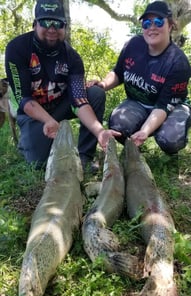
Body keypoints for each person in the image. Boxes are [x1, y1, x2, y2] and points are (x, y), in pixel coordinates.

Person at [5, 0, 121, 171]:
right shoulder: (17, 49)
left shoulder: (72, 58)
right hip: (32, 113)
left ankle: (84, 156)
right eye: (46, 22)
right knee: (38, 163)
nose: (52, 29)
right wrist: (48, 121)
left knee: (95, 93)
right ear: (35, 24)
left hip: (60, 106)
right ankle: (29, 142)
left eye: (58, 23)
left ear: (65, 27)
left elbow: (79, 100)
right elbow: (23, 99)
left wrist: (100, 132)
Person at [88, 1, 191, 155]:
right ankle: (136, 145)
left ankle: (168, 136)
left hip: (170, 108)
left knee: (170, 139)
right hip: (138, 103)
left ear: (170, 26)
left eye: (158, 21)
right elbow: (118, 73)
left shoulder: (178, 63)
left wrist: (145, 130)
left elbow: (162, 107)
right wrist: (102, 84)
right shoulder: (133, 45)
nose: (152, 27)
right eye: (146, 23)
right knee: (118, 125)